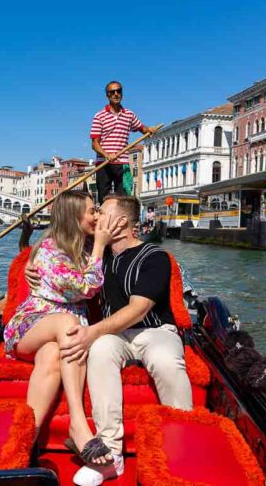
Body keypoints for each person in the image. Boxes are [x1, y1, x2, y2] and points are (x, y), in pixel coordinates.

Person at [56, 195, 193, 485]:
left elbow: (138, 308)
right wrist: (34, 267)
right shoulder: (97, 254)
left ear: (120, 222)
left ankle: (183, 443)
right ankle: (110, 453)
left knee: (165, 359)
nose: (94, 216)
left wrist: (92, 332)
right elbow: (58, 252)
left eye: (101, 212)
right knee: (102, 350)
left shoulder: (155, 257)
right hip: (113, 335)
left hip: (155, 330)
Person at [3, 191, 121, 466]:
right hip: (30, 326)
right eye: (92, 211)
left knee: (53, 356)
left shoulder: (84, 245)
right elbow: (86, 288)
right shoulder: (49, 251)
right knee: (70, 326)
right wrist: (100, 247)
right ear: (73, 216)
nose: (97, 216)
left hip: (58, 337)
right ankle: (78, 425)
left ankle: (25, 443)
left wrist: (101, 242)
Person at [90, 81, 157, 203]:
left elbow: (142, 128)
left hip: (123, 162)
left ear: (122, 93)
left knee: (125, 199)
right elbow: (94, 144)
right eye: (112, 92)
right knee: (104, 199)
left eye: (118, 91)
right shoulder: (99, 116)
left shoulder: (129, 115)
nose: (116, 94)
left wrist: (150, 130)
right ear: (107, 95)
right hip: (103, 164)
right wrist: (106, 155)